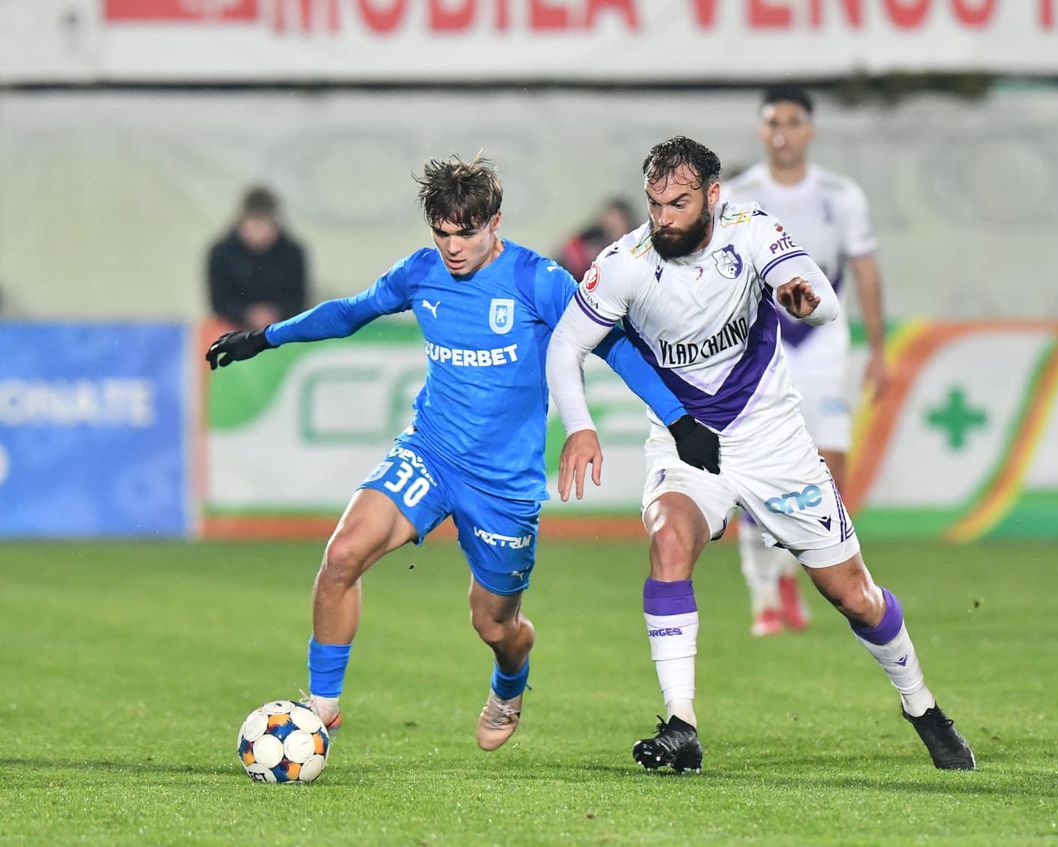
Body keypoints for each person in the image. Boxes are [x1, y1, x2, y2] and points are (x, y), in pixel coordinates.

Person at [205, 155, 717, 753]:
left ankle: (510, 680)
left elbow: (617, 347)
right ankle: (321, 709)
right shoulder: (421, 273)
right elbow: (350, 311)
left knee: (495, 625)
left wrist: (680, 420)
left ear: (494, 222)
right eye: (442, 233)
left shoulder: (538, 281)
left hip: (503, 485)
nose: (452, 247)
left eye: (466, 233)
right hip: (431, 452)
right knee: (342, 555)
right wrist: (266, 337)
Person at [546, 137, 974, 772]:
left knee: (854, 595)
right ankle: (681, 724)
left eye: (679, 204)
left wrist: (807, 303)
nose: (663, 219)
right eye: (655, 204)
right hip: (687, 444)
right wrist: (579, 427)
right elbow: (565, 346)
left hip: (775, 444)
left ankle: (922, 705)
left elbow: (821, 300)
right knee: (669, 541)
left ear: (713, 196)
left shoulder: (750, 230)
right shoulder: (625, 263)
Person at [723, 84, 890, 638]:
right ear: (761, 130)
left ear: (810, 130)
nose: (782, 132)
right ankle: (764, 597)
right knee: (758, 469)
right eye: (773, 122)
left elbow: (864, 271)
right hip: (763, 345)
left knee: (830, 471)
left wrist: (878, 351)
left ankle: (790, 574)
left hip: (824, 344)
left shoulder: (841, 195)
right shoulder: (739, 196)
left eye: (792, 122)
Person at [207, 186, 309, 330]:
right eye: (254, 225)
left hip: (284, 330)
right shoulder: (222, 253)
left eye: (265, 225)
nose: (259, 233)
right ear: (241, 224)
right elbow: (218, 301)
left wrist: (276, 313)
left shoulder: (292, 253)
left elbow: (299, 298)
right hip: (233, 329)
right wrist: (247, 314)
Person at [556, 198, 637, 282]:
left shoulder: (635, 244)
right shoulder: (589, 238)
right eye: (611, 220)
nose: (614, 225)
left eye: (619, 220)